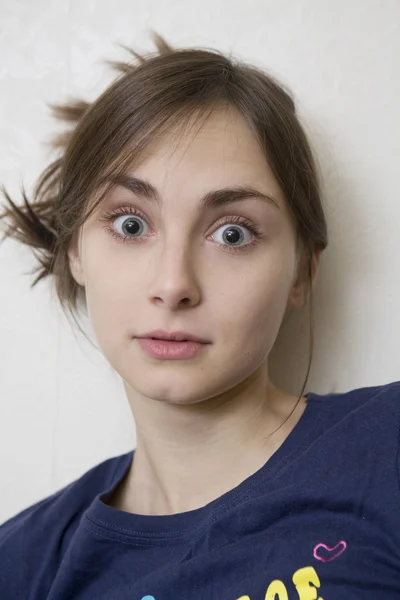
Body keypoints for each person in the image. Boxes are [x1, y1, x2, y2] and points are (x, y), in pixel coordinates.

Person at [0, 30, 399, 600]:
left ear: (302, 273)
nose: (173, 285)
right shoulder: (21, 566)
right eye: (131, 225)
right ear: (76, 252)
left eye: (231, 233)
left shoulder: (388, 448)